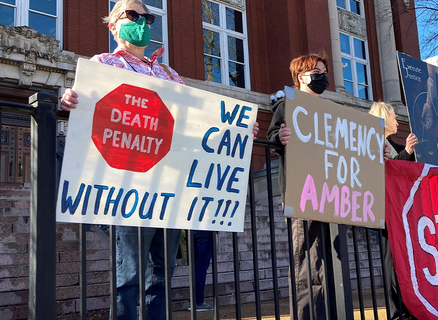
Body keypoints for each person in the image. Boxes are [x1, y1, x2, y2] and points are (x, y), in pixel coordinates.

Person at [59, 1, 258, 318]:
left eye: (147, 17)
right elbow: (85, 105)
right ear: (113, 25)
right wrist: (68, 99)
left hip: (170, 189)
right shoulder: (104, 64)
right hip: (127, 187)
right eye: (133, 15)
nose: (142, 21)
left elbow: (195, 121)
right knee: (129, 276)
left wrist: (237, 127)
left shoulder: (168, 73)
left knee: (162, 276)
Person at [267, 53, 391, 320]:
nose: (323, 77)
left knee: (331, 263)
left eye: (325, 72)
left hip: (332, 194)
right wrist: (281, 136)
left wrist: (374, 150)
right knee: (306, 262)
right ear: (302, 76)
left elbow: (348, 149)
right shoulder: (286, 105)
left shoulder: (332, 112)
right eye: (318, 71)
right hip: (304, 193)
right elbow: (272, 138)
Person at [369, 101, 418, 320]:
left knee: (404, 260)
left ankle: (407, 306)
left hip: (400, 208)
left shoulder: (390, 142)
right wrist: (406, 152)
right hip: (387, 209)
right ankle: (396, 311)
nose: (397, 121)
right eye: (393, 116)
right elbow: (385, 171)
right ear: (383, 117)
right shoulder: (374, 142)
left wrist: (409, 153)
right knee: (392, 260)